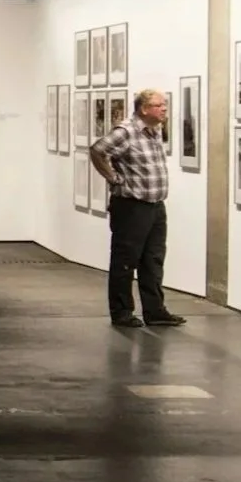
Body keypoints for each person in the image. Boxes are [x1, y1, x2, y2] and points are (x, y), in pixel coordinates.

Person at [90, 89, 185, 328]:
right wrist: (113, 178)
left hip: (155, 205)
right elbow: (97, 150)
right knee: (125, 260)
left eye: (165, 105)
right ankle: (121, 312)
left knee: (153, 260)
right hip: (131, 206)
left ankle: (155, 311)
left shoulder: (155, 131)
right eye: (158, 105)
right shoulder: (126, 132)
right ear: (143, 108)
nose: (164, 109)